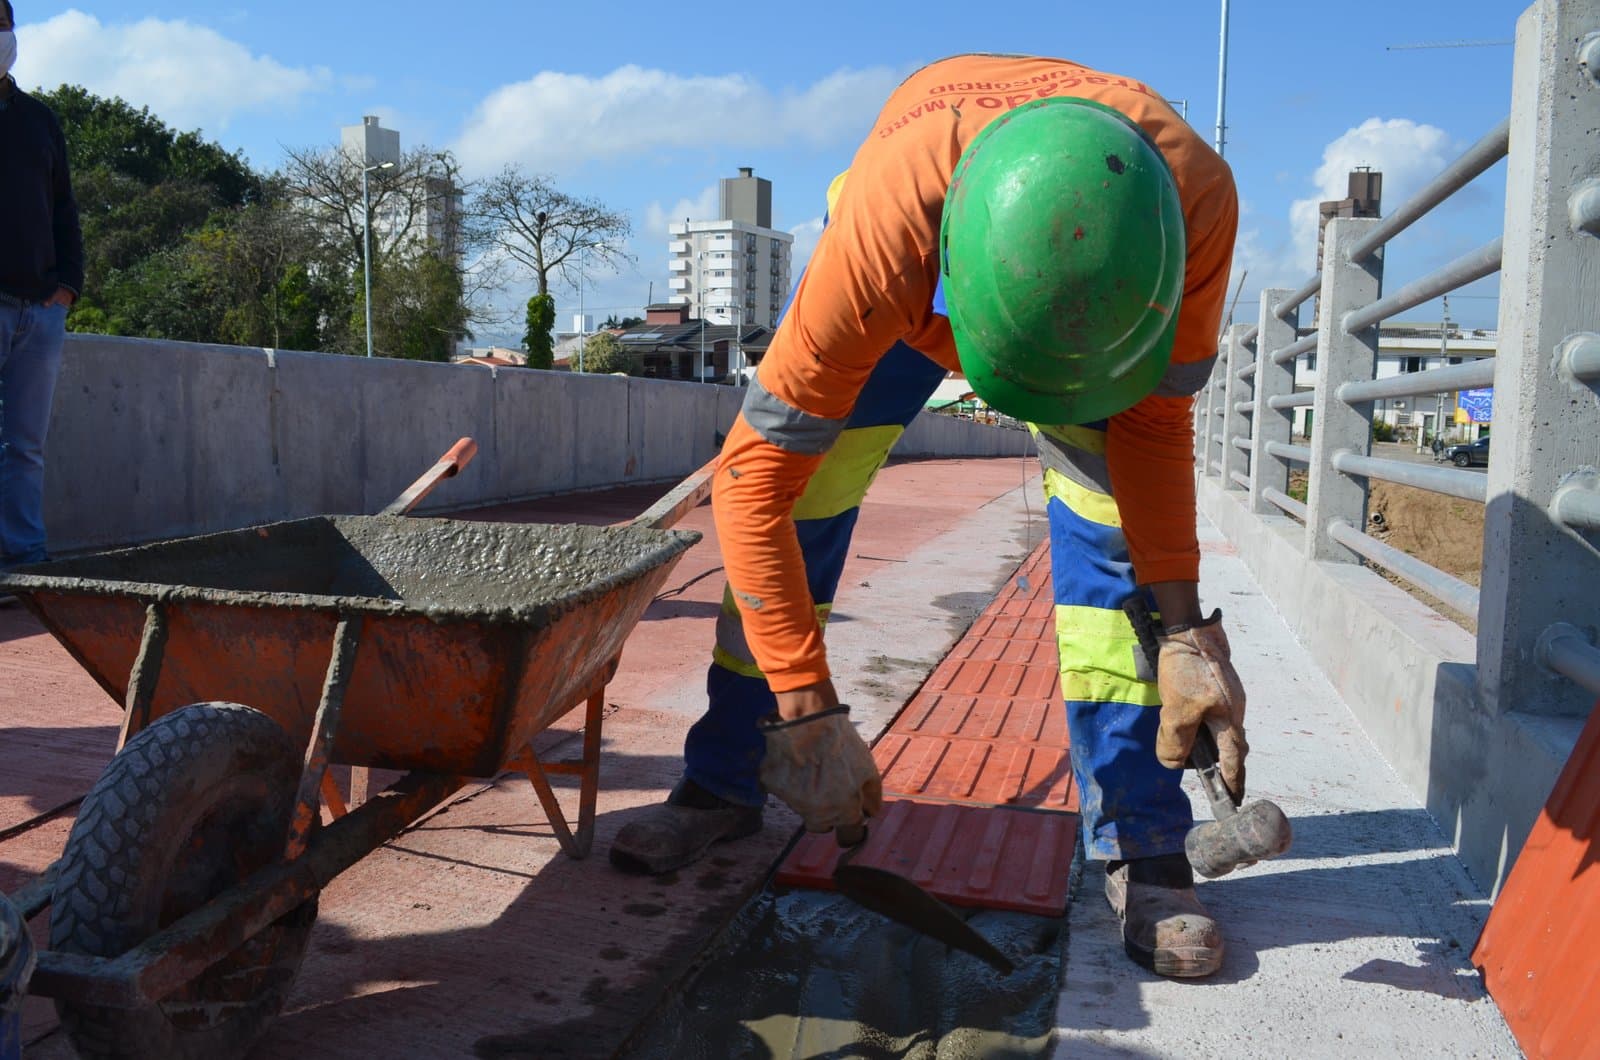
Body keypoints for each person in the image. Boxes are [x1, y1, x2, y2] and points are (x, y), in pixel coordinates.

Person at [611, 53, 1246, 979]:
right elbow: (750, 486)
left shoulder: (1193, 207)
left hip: (1088, 283)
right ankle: (725, 783)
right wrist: (805, 707)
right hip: (910, 259)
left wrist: (1187, 633)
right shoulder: (878, 246)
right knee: (803, 505)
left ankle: (1146, 849)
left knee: (1112, 547)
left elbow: (1151, 429)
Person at [0, 0, 81, 585]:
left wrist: (68, 287)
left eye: (2, 26)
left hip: (40, 311)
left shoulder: (39, 118)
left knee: (26, 446)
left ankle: (25, 559)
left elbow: (63, 207)